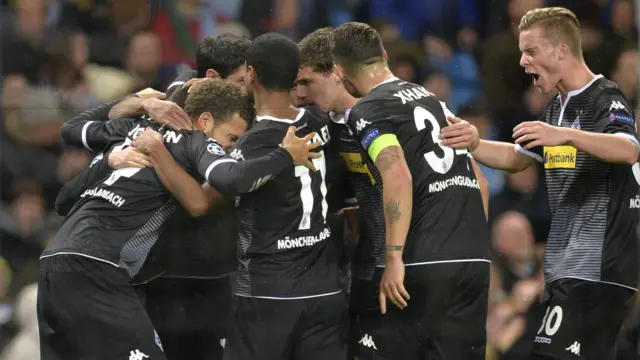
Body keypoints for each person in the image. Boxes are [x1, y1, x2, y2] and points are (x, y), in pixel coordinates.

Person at [38, 78, 321, 360]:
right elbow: (228, 178)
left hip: (54, 261)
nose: (231, 149)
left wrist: (136, 104)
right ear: (206, 121)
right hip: (99, 265)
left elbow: (71, 138)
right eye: (232, 138)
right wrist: (284, 155)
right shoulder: (194, 140)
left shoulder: (134, 129)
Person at [440, 7, 639, 360]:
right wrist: (474, 142)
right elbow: (518, 159)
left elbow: (627, 149)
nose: (522, 61)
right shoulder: (556, 108)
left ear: (561, 50)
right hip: (568, 267)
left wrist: (565, 135)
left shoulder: (604, 96)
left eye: (531, 51)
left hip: (599, 266)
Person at [134, 33, 348, 360]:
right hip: (326, 290)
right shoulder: (319, 120)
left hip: (268, 294)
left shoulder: (254, 143)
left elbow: (200, 201)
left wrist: (157, 150)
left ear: (251, 74)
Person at [61, 33, 253, 360]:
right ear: (210, 79)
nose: (247, 89)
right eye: (239, 81)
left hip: (214, 277)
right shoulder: (161, 112)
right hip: (157, 277)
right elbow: (72, 133)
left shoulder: (244, 120)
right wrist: (138, 103)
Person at [330, 22, 491, 360]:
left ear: (341, 73)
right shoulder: (435, 100)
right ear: (384, 57)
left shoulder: (369, 109)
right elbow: (483, 183)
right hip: (474, 259)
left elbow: (397, 174)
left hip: (424, 259)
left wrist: (393, 257)